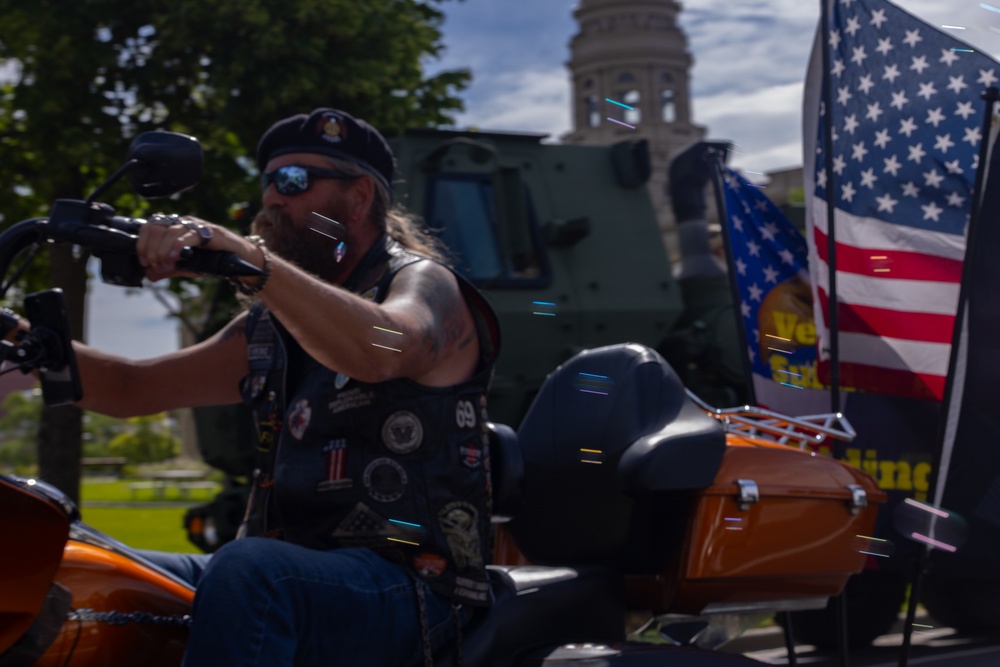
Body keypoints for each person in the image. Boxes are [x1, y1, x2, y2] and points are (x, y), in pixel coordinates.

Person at [68, 108, 501, 666]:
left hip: (414, 586)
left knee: (250, 570)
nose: (271, 199)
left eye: (293, 181)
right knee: (77, 558)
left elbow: (382, 348)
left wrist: (252, 261)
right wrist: (24, 340)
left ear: (360, 196)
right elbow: (131, 389)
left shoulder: (423, 284)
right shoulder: (272, 324)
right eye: (268, 182)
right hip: (287, 569)